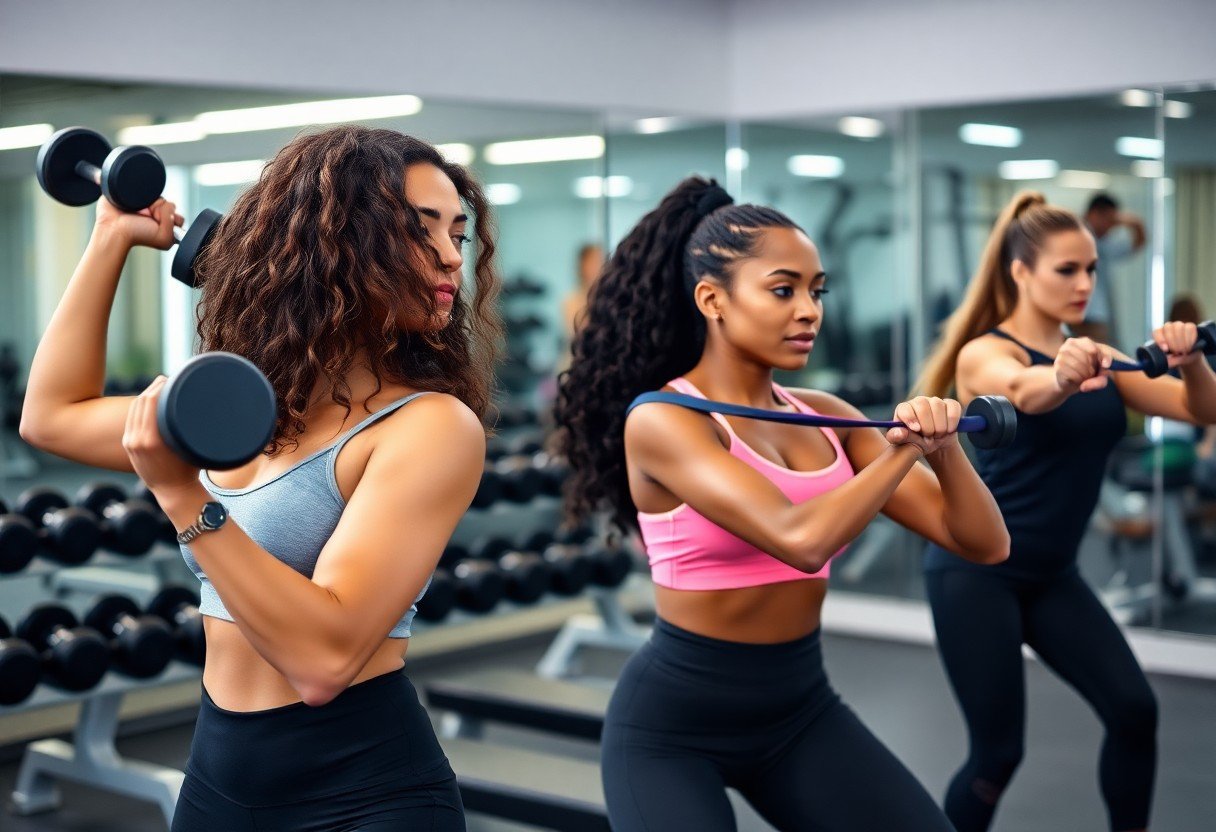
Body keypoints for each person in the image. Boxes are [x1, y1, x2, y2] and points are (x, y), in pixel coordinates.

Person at [20, 125, 504, 831]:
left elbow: (324, 661)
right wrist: (111, 240)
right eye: (417, 230)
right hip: (219, 776)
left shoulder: (429, 427)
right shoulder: (249, 409)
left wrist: (183, 495)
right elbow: (53, 416)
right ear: (336, 246)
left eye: (457, 235)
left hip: (363, 794)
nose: (448, 259)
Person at [555, 176, 1010, 831]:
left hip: (799, 708)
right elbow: (800, 539)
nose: (809, 310)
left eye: (816, 291)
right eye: (782, 290)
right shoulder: (664, 420)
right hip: (675, 727)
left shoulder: (827, 416)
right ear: (712, 299)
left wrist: (943, 449)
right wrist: (904, 451)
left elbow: (984, 543)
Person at [917, 191, 1216, 832]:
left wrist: (1192, 364)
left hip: (1054, 577)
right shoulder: (983, 353)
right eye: (1066, 270)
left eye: (1091, 269)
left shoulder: (1099, 357)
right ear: (1019, 271)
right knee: (997, 754)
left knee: (1135, 710)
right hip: (976, 574)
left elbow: (1202, 411)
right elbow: (1022, 390)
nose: (1084, 283)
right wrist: (1060, 376)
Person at [1074, 193, 1147, 344]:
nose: (1111, 226)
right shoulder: (1074, 236)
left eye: (1113, 222)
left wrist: (1133, 222)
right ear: (1093, 214)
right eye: (1108, 220)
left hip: (1096, 314)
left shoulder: (1103, 244)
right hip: (1077, 312)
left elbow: (1138, 243)